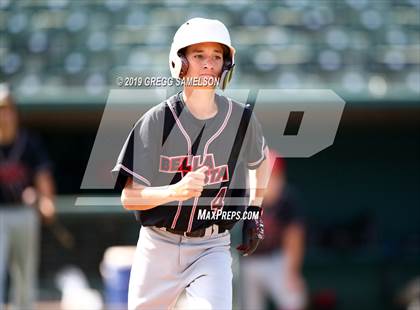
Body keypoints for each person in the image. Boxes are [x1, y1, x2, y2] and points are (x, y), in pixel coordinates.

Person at [112, 17, 270, 310]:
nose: (209, 64)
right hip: (158, 245)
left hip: (211, 246)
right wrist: (175, 191)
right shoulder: (156, 121)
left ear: (227, 66)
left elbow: (261, 161)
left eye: (217, 56)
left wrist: (254, 211)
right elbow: (129, 197)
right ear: (179, 63)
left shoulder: (241, 120)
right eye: (199, 56)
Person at [0, 84, 56, 310]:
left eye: (6, 108)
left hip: (24, 213)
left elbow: (43, 177)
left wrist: (44, 200)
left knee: (25, 273)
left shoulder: (28, 142)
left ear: (14, 112)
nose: (3, 114)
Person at [241, 150, 307, 310]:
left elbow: (294, 236)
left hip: (275, 258)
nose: (272, 183)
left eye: (276, 177)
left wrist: (293, 272)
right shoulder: (240, 197)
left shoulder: (287, 198)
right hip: (244, 262)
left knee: (294, 298)